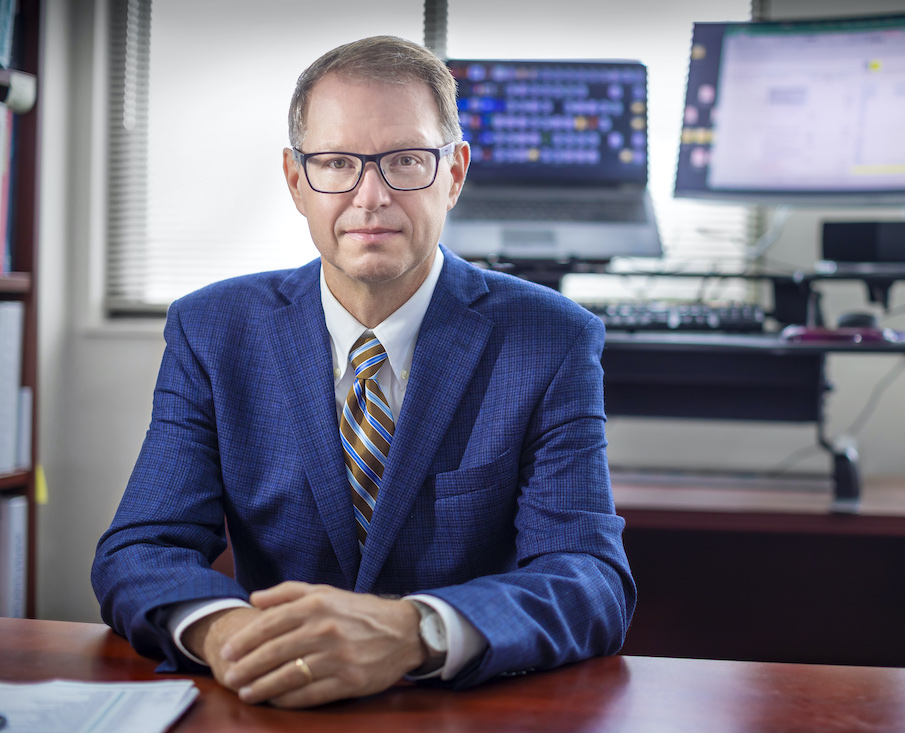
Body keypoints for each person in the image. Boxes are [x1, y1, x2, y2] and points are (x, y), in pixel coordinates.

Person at [91, 35, 635, 709]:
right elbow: (141, 547)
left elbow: (589, 577)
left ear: (455, 173)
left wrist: (415, 630)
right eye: (337, 162)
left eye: (406, 160)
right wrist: (228, 631)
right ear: (296, 180)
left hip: (460, 710)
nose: (370, 196)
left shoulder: (550, 338)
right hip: (269, 700)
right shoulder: (213, 330)